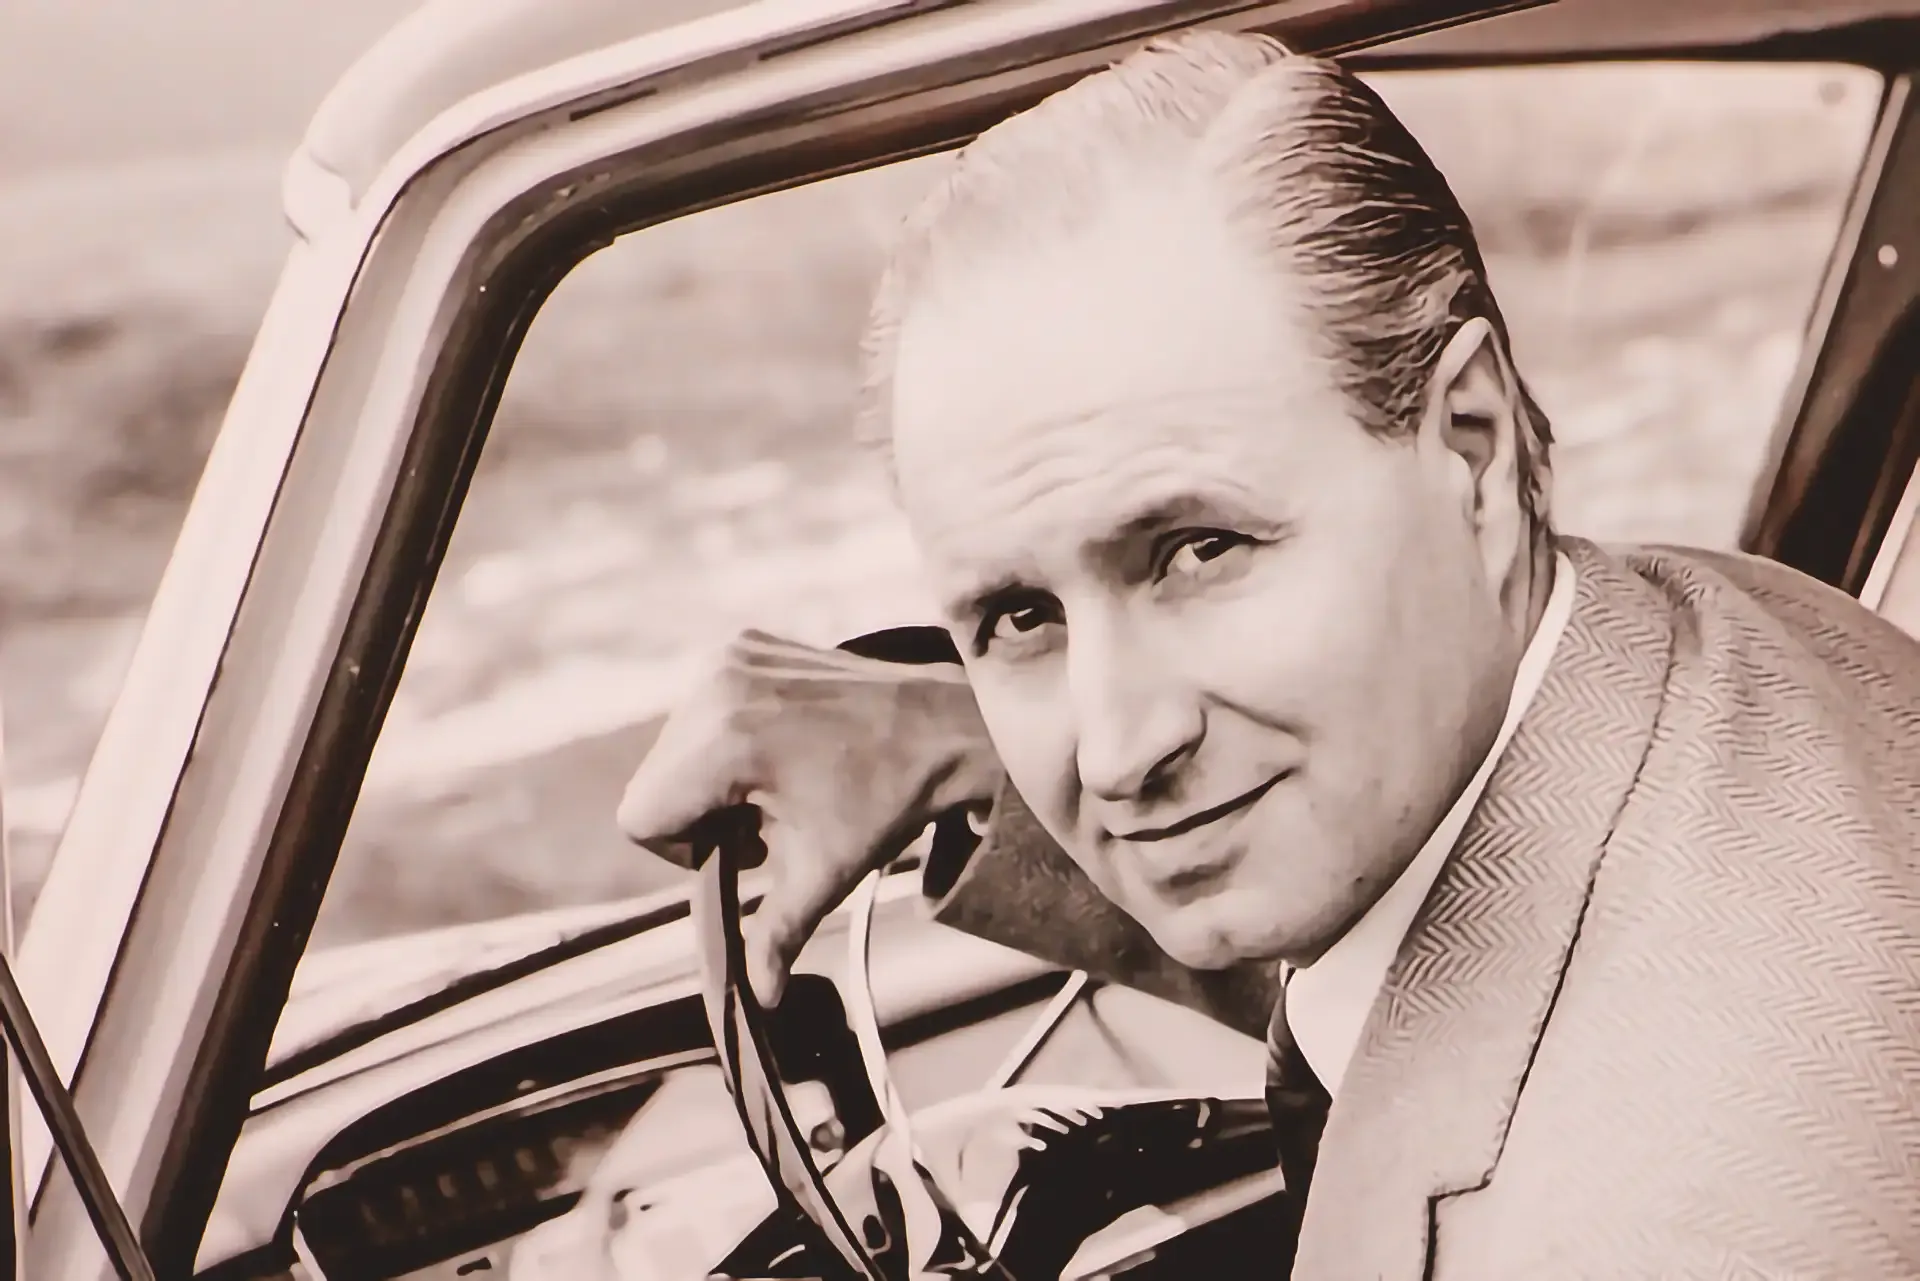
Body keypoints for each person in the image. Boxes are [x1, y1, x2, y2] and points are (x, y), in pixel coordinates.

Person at [618, 29, 1920, 1280]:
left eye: (1199, 551)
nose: (1114, 751)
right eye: (1021, 618)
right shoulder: (1700, 648)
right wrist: (948, 743)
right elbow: (1453, 962)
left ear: (1468, 449)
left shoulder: (1651, 1232)